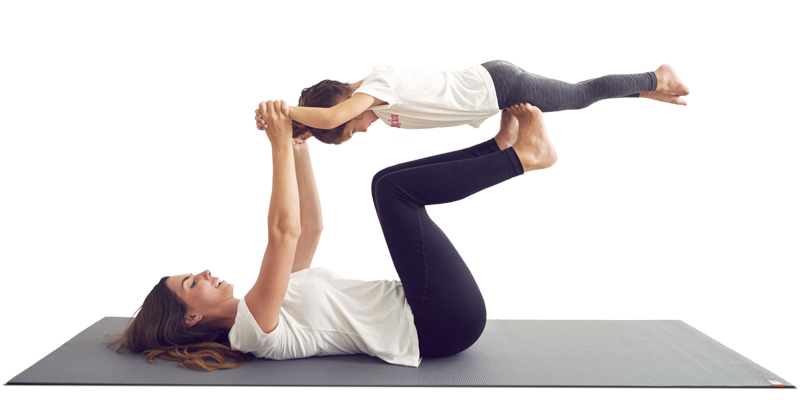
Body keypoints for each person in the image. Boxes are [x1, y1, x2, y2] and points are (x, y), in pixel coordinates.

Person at [106, 96, 557, 370]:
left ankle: (496, 148)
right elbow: (282, 233)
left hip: (426, 308)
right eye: (192, 282)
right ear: (191, 319)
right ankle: (523, 158)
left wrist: (299, 143)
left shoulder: (262, 298)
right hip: (436, 324)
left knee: (384, 182)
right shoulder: (251, 330)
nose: (203, 270)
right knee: (392, 190)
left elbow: (311, 230)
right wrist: (277, 145)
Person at [251, 59, 693, 149]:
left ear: (348, 101)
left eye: (355, 127)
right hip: (493, 94)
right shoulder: (379, 110)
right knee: (576, 100)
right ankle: (646, 91)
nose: (361, 131)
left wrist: (281, 110)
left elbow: (331, 114)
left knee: (576, 97)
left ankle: (655, 75)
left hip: (497, 84)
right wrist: (300, 132)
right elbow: (326, 121)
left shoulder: (377, 83)